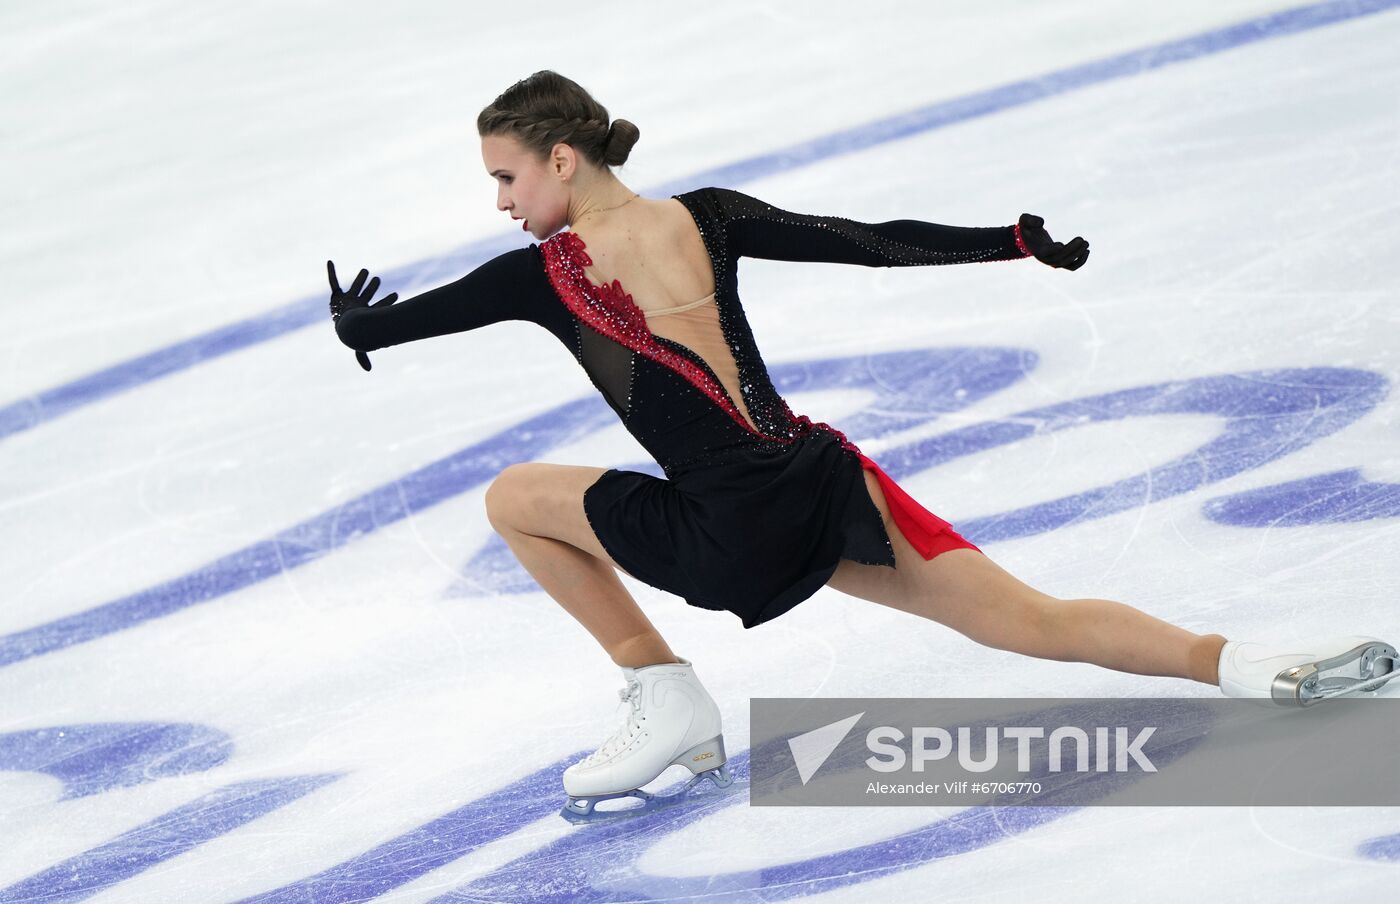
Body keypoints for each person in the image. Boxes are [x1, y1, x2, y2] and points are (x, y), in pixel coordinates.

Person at [326, 70, 1397, 820]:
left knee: (514, 496)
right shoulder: (710, 216)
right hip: (818, 483)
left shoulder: (543, 275)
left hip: (726, 530)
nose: (502, 203)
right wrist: (1011, 242)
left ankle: (663, 689)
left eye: (507, 178)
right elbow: (868, 243)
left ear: (560, 158)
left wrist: (355, 326)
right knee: (1028, 618)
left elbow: (399, 324)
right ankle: (1245, 664)